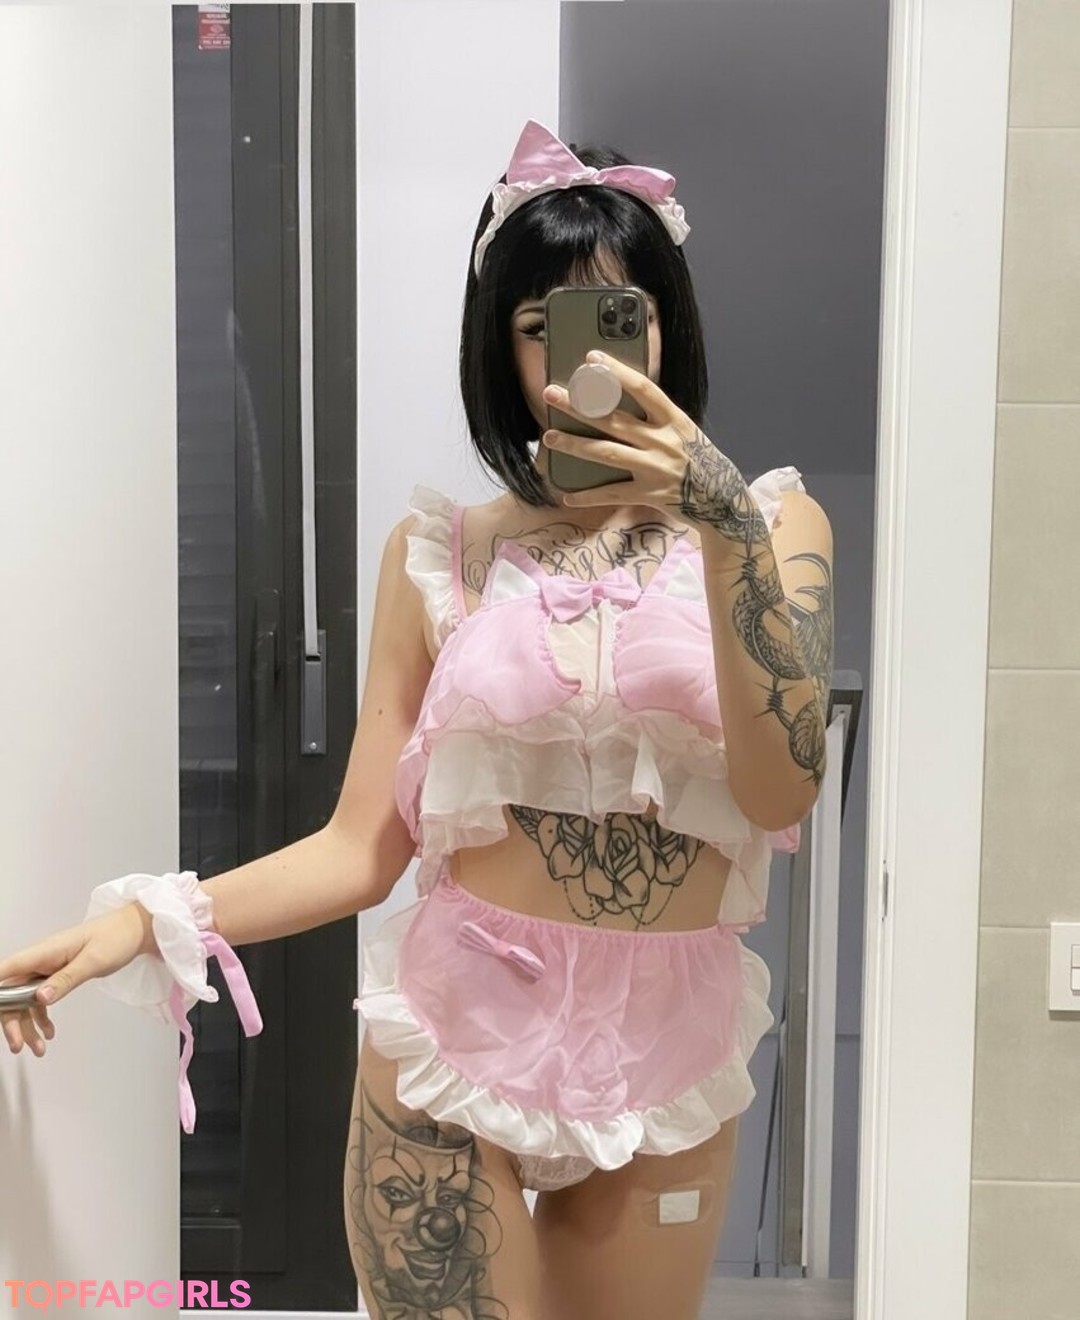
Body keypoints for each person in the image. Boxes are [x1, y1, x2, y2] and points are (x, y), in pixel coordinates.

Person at [0, 120, 834, 1320]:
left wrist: (718, 520)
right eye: (541, 325)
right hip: (457, 1034)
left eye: (621, 317)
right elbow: (360, 848)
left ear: (667, 330)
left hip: (669, 1054)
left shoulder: (770, 528)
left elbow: (782, 787)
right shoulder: (441, 553)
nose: (583, 359)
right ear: (502, 349)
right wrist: (145, 921)